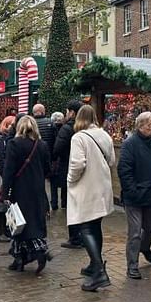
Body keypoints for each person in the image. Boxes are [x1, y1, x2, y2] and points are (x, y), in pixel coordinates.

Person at [66, 104, 116, 291]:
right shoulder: (104, 135)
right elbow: (111, 161)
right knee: (95, 226)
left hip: (85, 188)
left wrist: (70, 180)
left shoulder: (79, 137)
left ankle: (100, 273)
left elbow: (77, 164)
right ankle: (95, 264)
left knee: (85, 227)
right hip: (102, 188)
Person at [0, 115, 52, 274]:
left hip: (19, 190)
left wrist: (5, 192)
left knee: (18, 223)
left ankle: (21, 258)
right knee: (34, 220)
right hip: (37, 189)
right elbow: (47, 169)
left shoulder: (13, 144)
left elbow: (8, 171)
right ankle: (36, 252)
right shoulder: (41, 145)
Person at [118, 111, 151, 280]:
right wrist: (132, 191)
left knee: (149, 229)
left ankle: (145, 248)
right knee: (135, 232)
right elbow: (124, 170)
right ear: (141, 126)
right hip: (135, 196)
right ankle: (132, 266)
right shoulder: (130, 144)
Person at [54, 100, 85, 248]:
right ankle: (85, 235)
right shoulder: (87, 127)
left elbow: (57, 148)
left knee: (71, 204)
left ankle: (75, 238)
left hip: (69, 169)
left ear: (72, 112)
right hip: (86, 172)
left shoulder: (67, 129)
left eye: (67, 112)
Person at [0, 115, 16, 243]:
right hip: (0, 177)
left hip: (4, 175)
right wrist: (5, 175)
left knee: (4, 203)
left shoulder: (7, 139)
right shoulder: (0, 139)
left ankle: (4, 230)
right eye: (11, 124)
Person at [49, 111, 66, 211]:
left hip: (54, 159)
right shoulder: (65, 128)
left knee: (53, 183)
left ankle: (54, 203)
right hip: (63, 159)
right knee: (64, 182)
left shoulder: (51, 128)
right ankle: (64, 203)